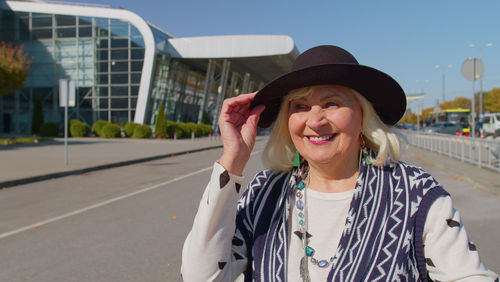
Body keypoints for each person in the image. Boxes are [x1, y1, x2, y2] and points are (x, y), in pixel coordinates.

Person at [181, 45, 498, 281]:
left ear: (363, 116)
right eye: (301, 106)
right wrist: (232, 161)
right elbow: (201, 276)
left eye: (331, 103)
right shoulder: (265, 191)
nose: (315, 120)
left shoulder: (416, 194)